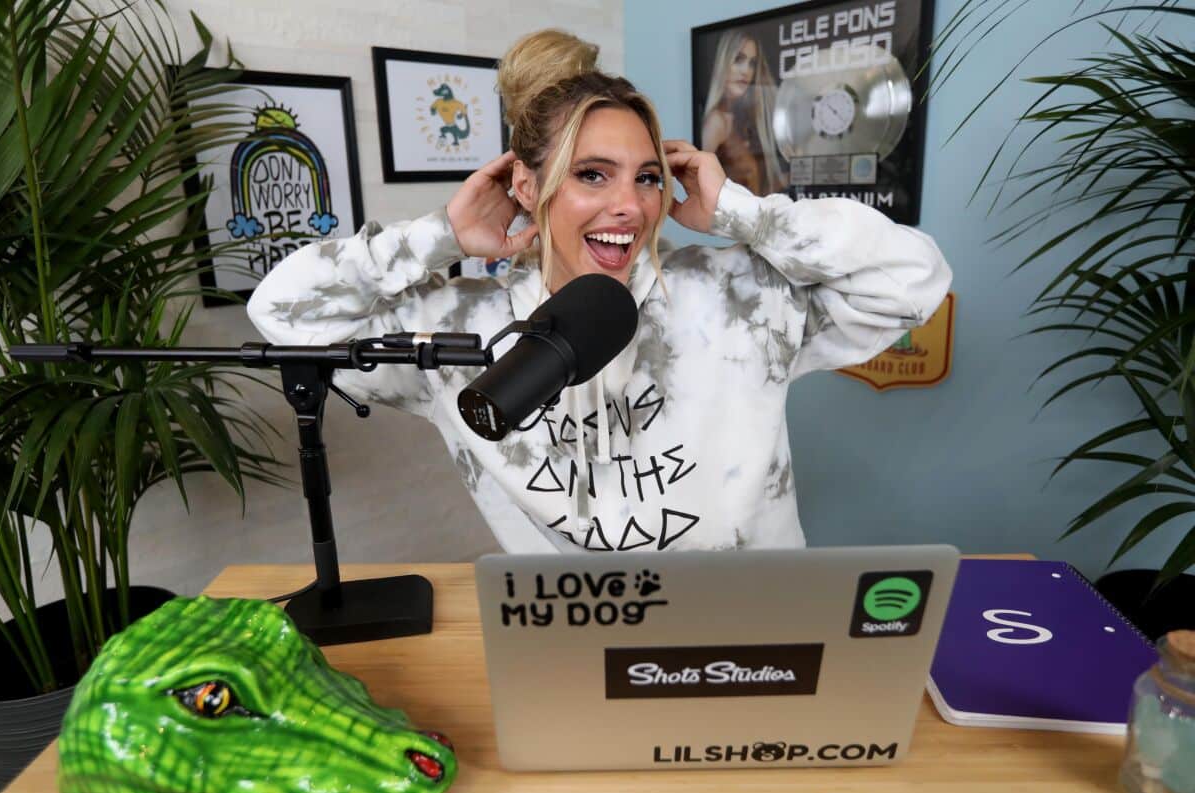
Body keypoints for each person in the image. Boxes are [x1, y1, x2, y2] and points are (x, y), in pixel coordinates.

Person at [247, 29, 951, 554]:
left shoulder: (739, 298)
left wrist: (743, 213)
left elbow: (912, 279)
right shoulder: (462, 330)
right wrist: (438, 237)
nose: (630, 206)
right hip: (571, 643)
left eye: (647, 178)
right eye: (592, 174)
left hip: (755, 633)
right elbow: (280, 311)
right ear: (527, 188)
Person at [700, 30, 785, 196]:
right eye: (738, 59)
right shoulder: (716, 122)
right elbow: (700, 188)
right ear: (723, 62)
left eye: (752, 63)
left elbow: (754, 193)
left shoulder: (747, 122)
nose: (746, 71)